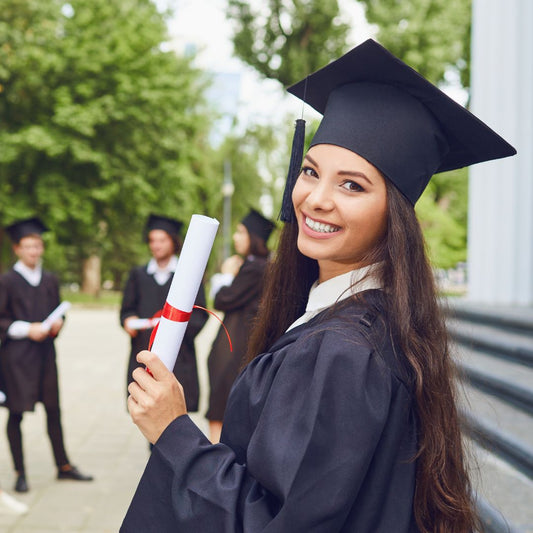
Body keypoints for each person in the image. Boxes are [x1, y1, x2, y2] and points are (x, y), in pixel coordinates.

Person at [121, 39, 516, 532]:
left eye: (352, 185)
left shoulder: (342, 353)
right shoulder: (376, 324)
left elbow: (282, 522)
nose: (316, 199)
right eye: (310, 172)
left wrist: (174, 431)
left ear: (393, 214)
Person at [0, 217, 93, 493]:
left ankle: (63, 465)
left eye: (38, 245)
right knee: (16, 413)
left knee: (54, 410)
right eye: (28, 246)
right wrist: (28, 329)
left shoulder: (50, 279)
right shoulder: (6, 281)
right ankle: (20, 471)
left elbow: (58, 311)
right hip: (16, 358)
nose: (34, 251)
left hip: (45, 356)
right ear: (17, 248)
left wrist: (57, 324)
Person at [120, 214, 208, 412]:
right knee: (147, 409)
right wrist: (128, 321)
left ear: (173, 242)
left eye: (161, 240)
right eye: (152, 240)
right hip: (144, 351)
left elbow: (200, 314)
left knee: (175, 413)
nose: (156, 245)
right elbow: (126, 310)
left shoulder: (188, 276)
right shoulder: (138, 275)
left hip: (179, 355)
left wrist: (174, 330)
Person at [206, 209, 275, 443]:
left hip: (233, 348)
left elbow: (222, 299)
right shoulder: (262, 265)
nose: (236, 237)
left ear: (254, 237)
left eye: (241, 232)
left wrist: (226, 275)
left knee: (219, 410)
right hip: (239, 346)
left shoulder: (254, 267)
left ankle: (212, 468)